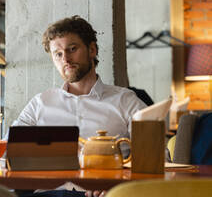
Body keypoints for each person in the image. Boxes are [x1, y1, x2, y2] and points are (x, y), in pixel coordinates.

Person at [11, 15, 147, 197]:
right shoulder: (40, 103)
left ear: (92, 50)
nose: (65, 59)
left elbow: (155, 156)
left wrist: (118, 184)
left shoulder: (125, 100)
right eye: (57, 54)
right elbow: (11, 150)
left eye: (72, 49)